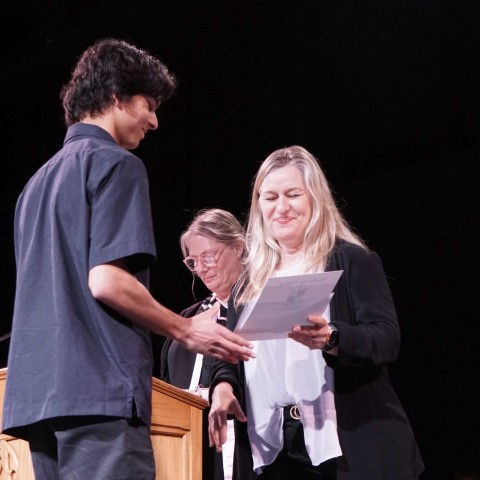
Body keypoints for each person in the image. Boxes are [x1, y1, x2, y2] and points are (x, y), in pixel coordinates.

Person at [1, 38, 253, 480]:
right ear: (116, 96)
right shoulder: (116, 164)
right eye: (149, 104)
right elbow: (106, 281)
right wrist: (185, 328)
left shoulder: (33, 187)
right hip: (98, 393)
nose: (154, 121)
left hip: (35, 403)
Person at [208, 145, 424, 480]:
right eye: (270, 197)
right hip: (274, 446)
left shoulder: (351, 260)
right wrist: (223, 386)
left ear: (315, 199)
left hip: (343, 445)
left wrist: (332, 337)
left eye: (293, 194)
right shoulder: (247, 282)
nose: (281, 207)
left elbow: (386, 338)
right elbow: (231, 353)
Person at [160, 208, 245, 480]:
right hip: (184, 443)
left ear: (238, 248)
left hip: (240, 439)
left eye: (208, 256)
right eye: (193, 261)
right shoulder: (187, 318)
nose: (200, 268)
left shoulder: (260, 307)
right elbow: (165, 386)